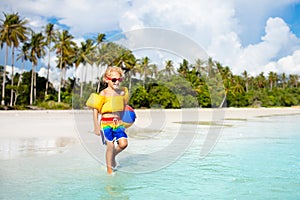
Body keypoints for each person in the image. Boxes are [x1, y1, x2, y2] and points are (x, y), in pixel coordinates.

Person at [86, 66, 129, 174]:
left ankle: (113, 155)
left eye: (119, 79)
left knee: (123, 144)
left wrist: (127, 122)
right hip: (105, 122)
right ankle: (109, 170)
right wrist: (96, 127)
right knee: (110, 145)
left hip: (118, 122)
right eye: (114, 79)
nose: (117, 82)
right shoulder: (103, 93)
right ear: (106, 79)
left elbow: (124, 108)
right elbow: (96, 110)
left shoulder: (121, 93)